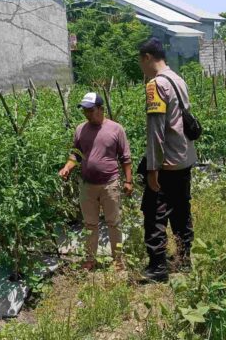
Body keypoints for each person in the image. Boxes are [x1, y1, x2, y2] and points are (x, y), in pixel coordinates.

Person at [138, 38, 197, 282]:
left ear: (147, 58)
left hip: (167, 163)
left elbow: (156, 130)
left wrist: (152, 168)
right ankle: (184, 260)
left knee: (154, 214)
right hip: (184, 157)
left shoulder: (156, 85)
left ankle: (158, 268)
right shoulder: (178, 79)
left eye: (140, 62)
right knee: (181, 211)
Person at [59, 92, 133, 271]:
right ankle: (90, 259)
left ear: (101, 109)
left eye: (90, 110)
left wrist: (129, 181)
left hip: (109, 184)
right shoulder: (80, 129)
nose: (87, 114)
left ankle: (118, 259)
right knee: (90, 224)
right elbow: (76, 154)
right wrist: (68, 167)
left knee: (113, 223)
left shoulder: (116, 129)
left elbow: (125, 157)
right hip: (87, 185)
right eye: (84, 111)